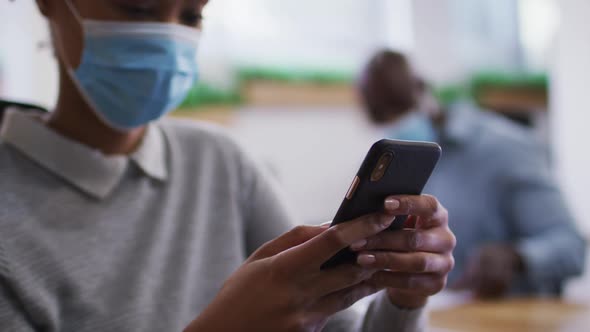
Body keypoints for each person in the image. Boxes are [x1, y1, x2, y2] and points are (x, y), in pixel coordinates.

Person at [0, 2, 456, 331]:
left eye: (191, 16)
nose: (169, 36)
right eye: (138, 9)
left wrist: (404, 298)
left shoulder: (221, 163)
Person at [358, 49, 586, 299]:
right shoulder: (395, 161)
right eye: (380, 115)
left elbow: (571, 247)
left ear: (423, 90)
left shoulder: (505, 149)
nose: (393, 120)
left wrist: (518, 257)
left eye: (398, 107)